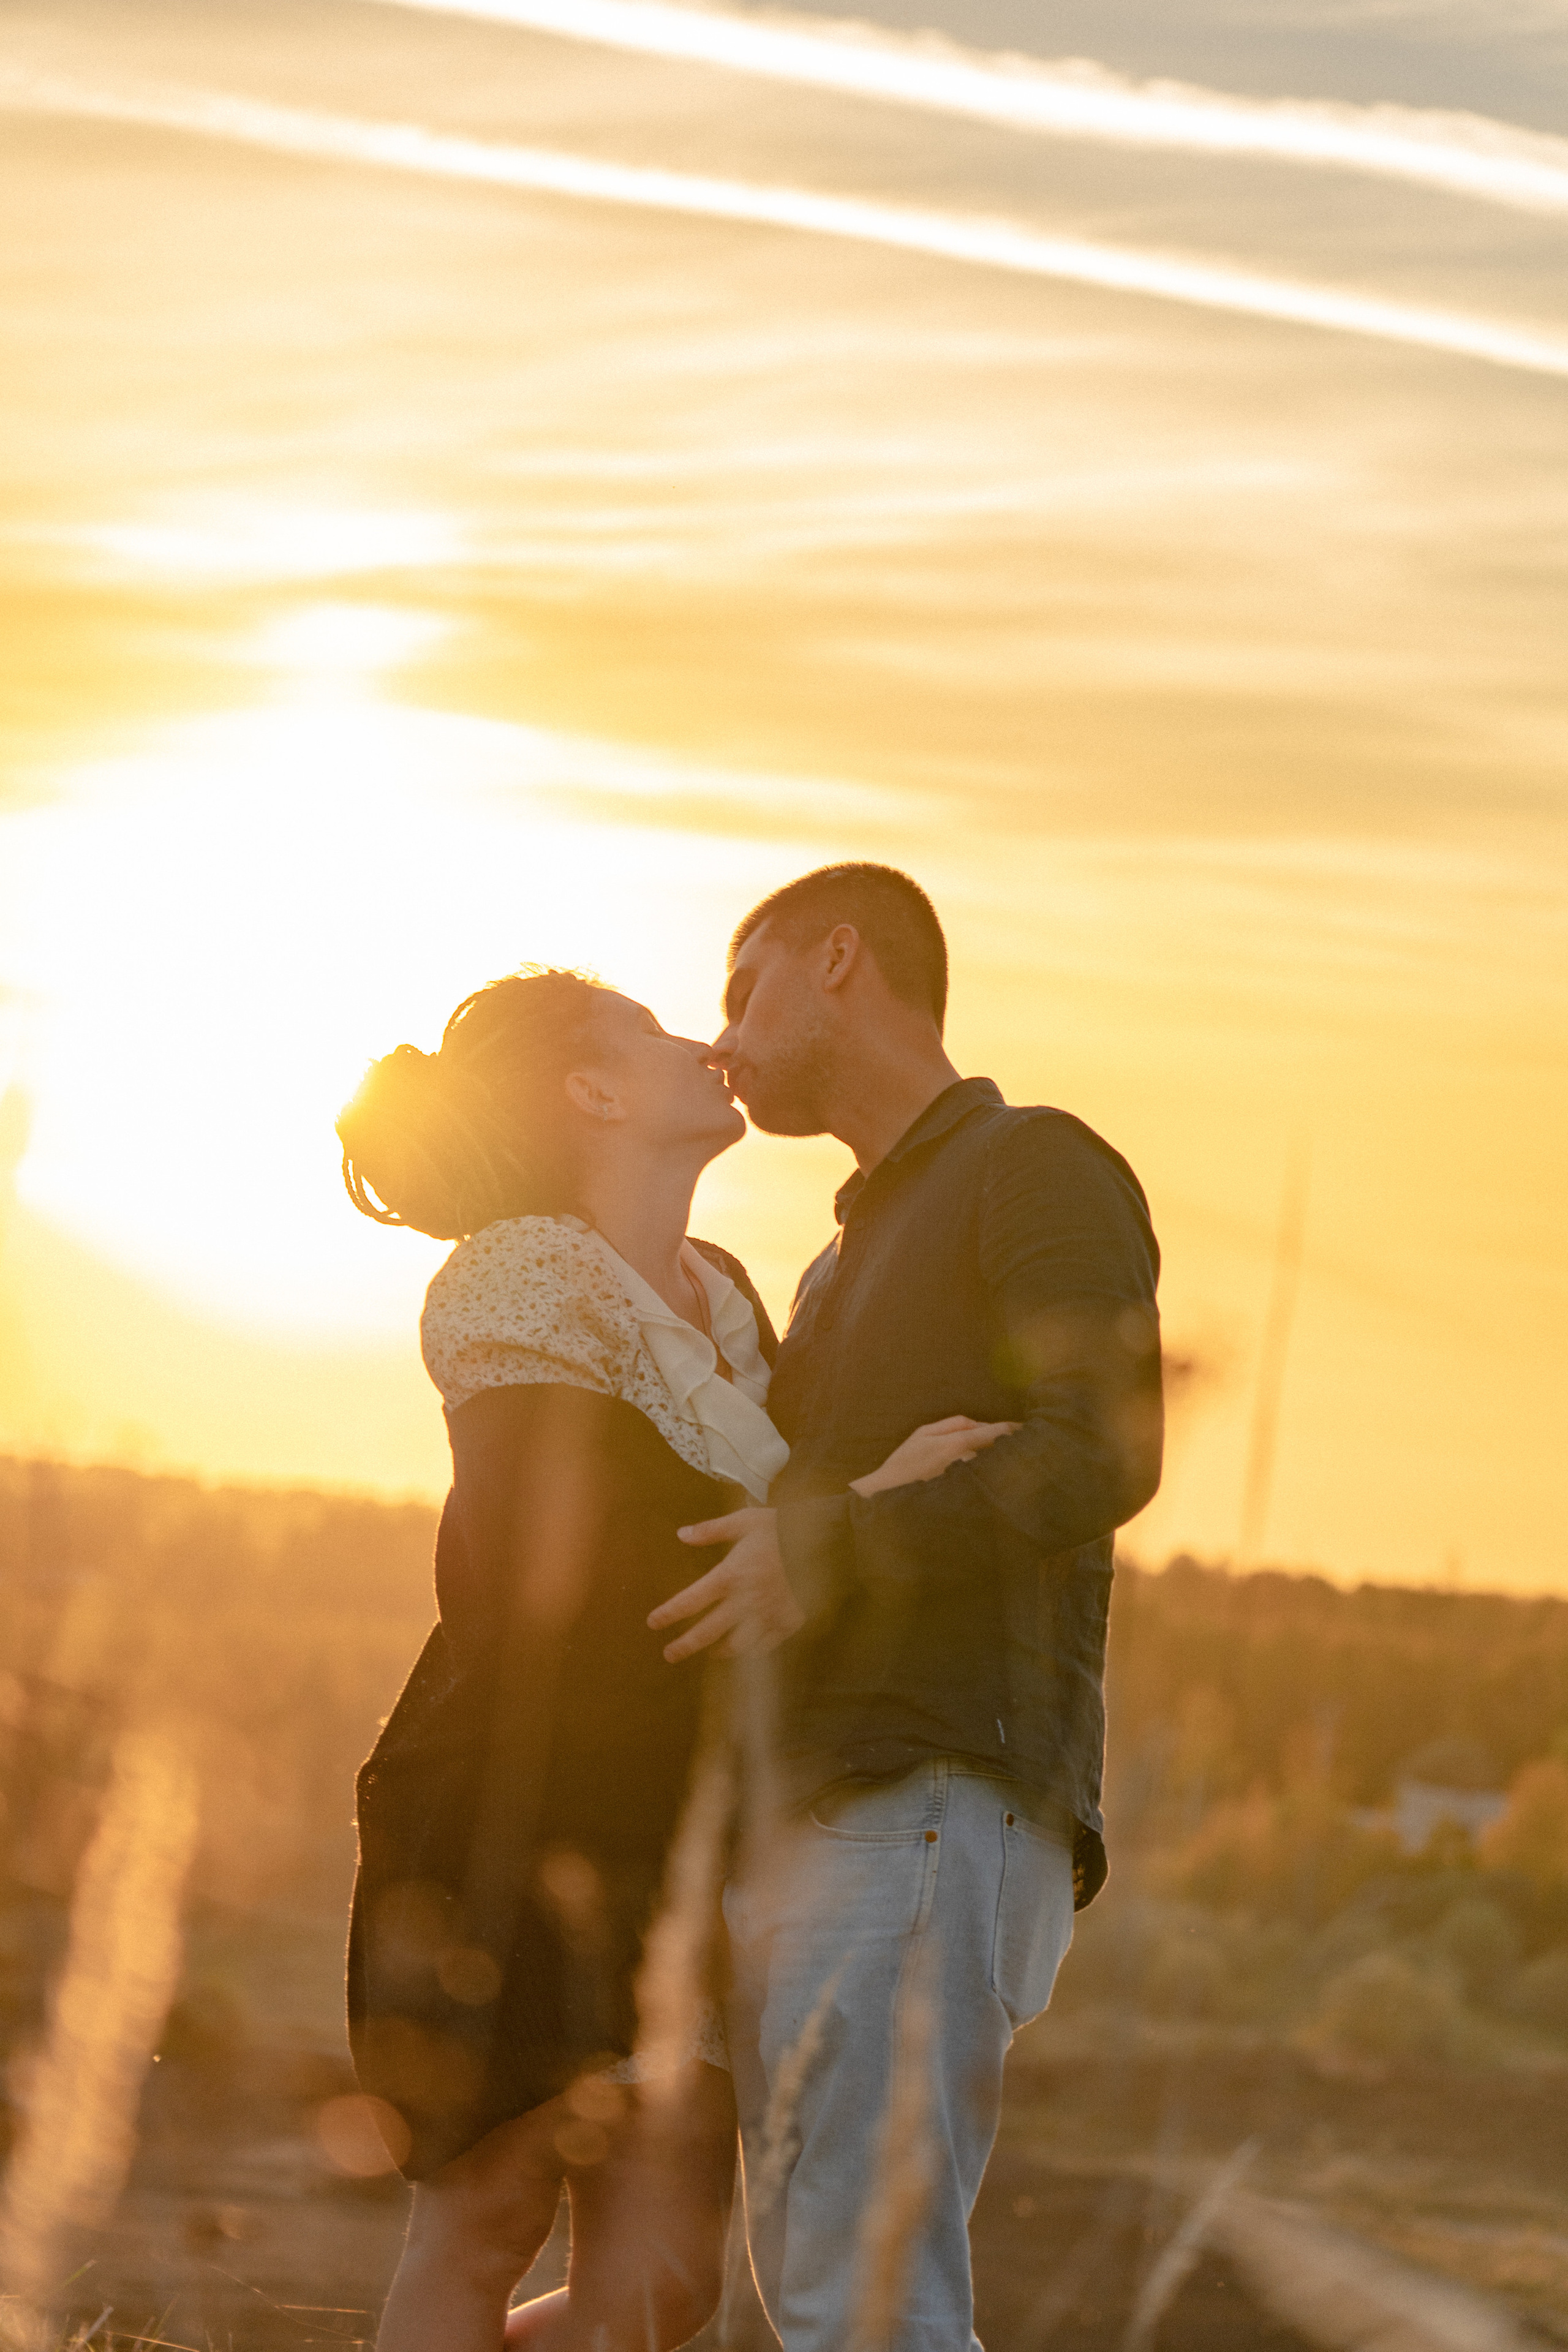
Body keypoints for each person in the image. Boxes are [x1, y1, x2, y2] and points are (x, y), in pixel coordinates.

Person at [334, 964, 1014, 2352]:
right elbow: (596, 1572)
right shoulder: (516, 1275)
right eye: (653, 1035)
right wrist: (873, 1506)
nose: (706, 1044)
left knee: (661, 2291)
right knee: (484, 2223)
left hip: (685, 1835)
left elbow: (747, 1559)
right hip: (516, 1812)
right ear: (589, 1093)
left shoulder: (723, 1296)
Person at [649, 865, 1164, 2352]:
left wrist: (827, 1549)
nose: (723, 1037)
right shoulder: (833, 1260)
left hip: (929, 1798)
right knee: (826, 2299)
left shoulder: (1032, 1166)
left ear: (836, 959)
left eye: (741, 990)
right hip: (835, 1815)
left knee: (863, 2310)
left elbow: (1101, 1451)